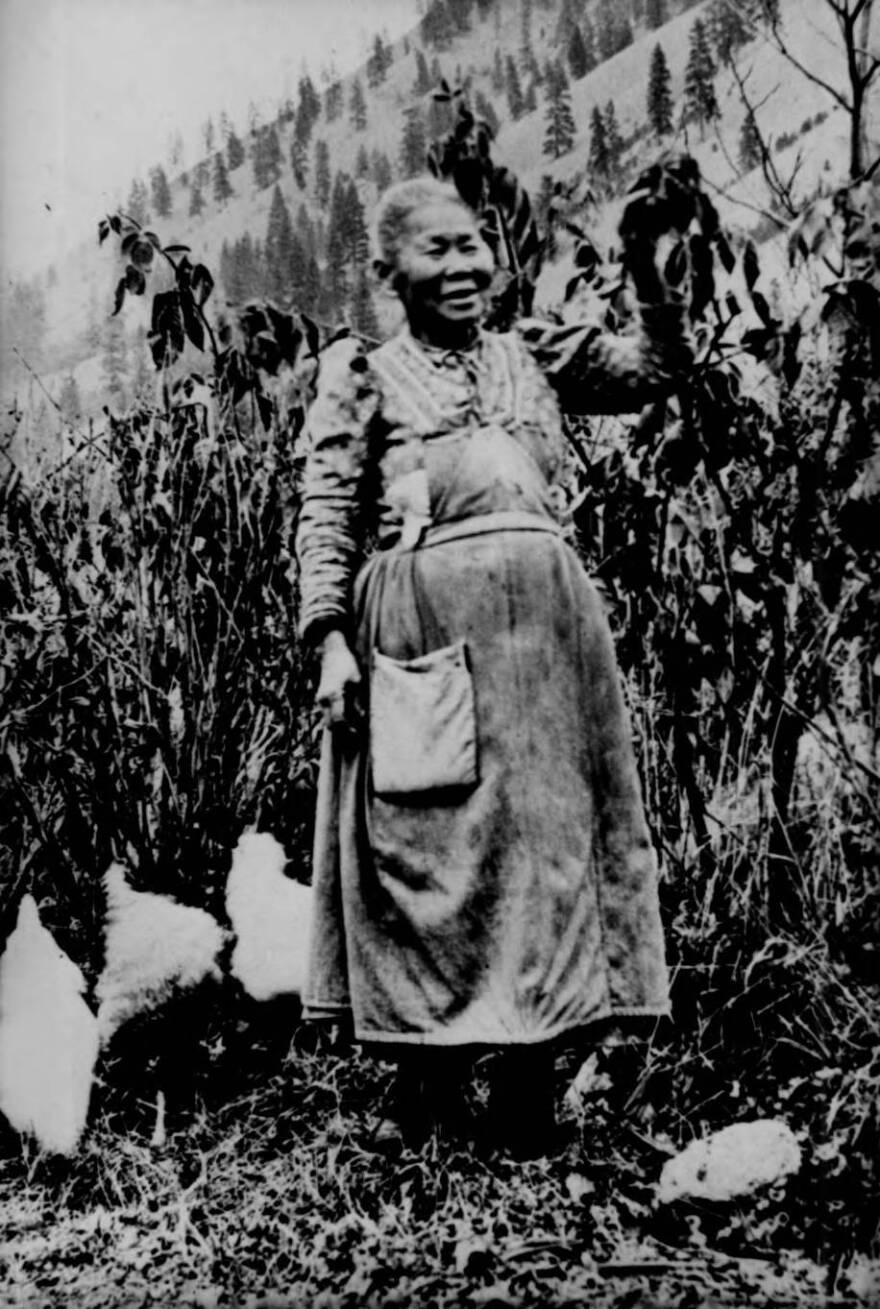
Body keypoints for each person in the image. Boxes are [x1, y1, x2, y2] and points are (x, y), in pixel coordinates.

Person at [296, 176, 688, 1156]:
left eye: (474, 243)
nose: (465, 264)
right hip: (421, 636)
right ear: (389, 274)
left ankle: (525, 1085)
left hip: (549, 645)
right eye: (437, 249)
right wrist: (330, 640)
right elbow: (329, 510)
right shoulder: (365, 373)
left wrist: (643, 260)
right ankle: (426, 1085)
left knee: (546, 851)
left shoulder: (536, 353)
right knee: (427, 853)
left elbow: (650, 373)